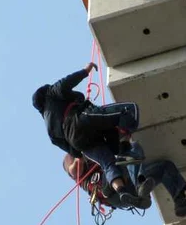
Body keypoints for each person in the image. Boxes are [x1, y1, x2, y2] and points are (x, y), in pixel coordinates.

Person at [32, 63, 144, 207]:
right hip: (82, 119)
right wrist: (86, 71)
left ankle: (122, 191)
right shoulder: (50, 95)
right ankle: (123, 148)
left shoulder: (49, 128)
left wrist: (82, 150)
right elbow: (64, 84)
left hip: (79, 142)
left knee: (107, 163)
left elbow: (70, 149)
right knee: (129, 110)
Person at [63, 141, 186, 218]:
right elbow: (73, 169)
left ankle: (180, 202)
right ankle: (139, 188)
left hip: (126, 189)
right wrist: (77, 148)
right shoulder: (75, 163)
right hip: (108, 190)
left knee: (165, 167)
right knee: (115, 162)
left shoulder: (93, 152)